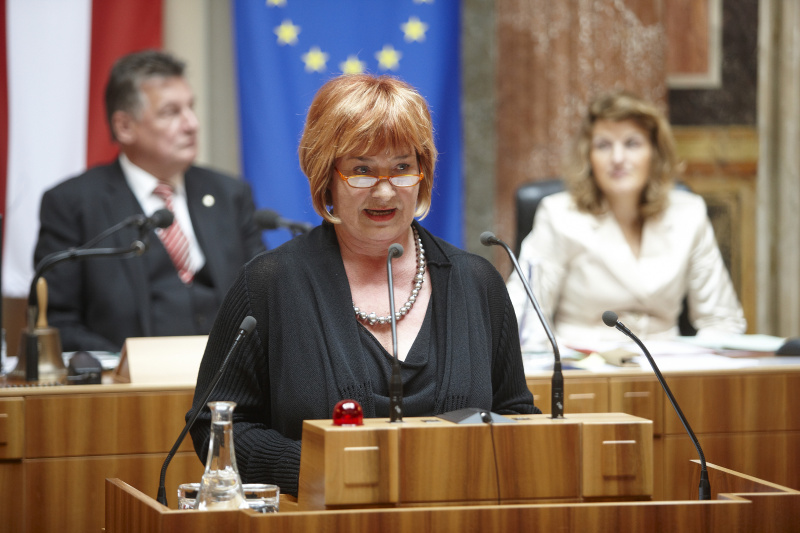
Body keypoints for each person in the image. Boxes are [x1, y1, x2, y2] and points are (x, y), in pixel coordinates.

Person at [188, 74, 538, 496]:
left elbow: (516, 414)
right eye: (361, 170)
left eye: (402, 168)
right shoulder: (269, 284)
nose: (385, 191)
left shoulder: (476, 282)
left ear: (422, 174)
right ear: (326, 177)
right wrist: (320, 468)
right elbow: (214, 424)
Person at [33, 50, 266, 352]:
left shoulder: (229, 193)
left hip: (230, 383)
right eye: (171, 112)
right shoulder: (73, 204)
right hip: (128, 391)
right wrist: (127, 368)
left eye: (190, 108)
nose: (192, 124)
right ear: (124, 127)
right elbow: (57, 322)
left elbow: (263, 300)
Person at [507, 91, 746, 352]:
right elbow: (523, 318)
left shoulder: (689, 213)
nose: (618, 158)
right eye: (603, 145)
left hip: (667, 368)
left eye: (632, 143)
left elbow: (722, 322)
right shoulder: (559, 214)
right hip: (584, 368)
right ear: (588, 157)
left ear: (655, 153)